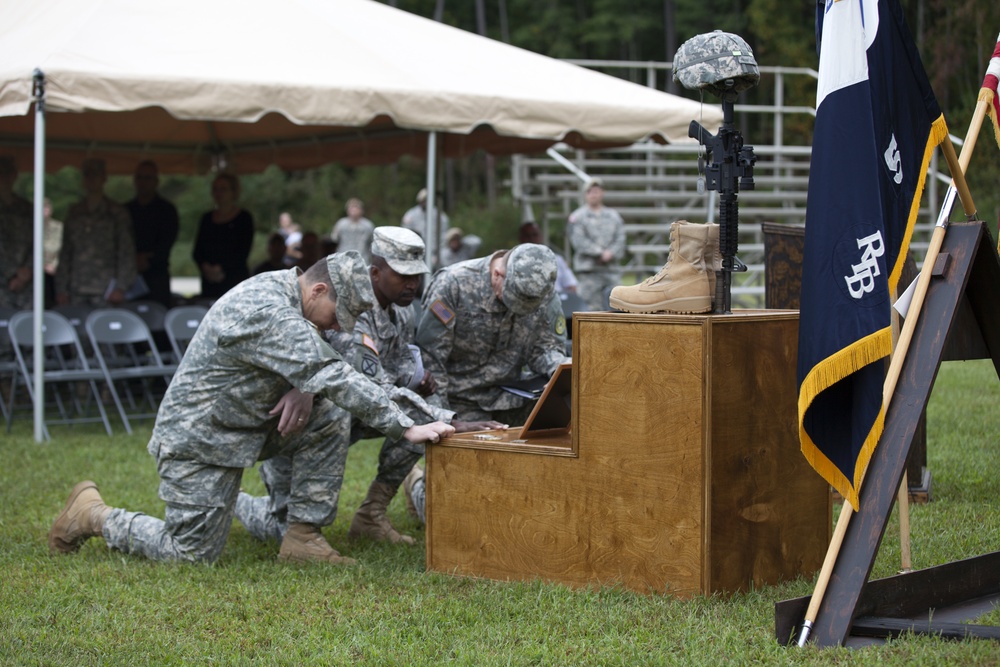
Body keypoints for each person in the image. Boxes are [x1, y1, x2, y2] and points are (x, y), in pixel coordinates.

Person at [48, 251, 455, 566]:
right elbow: (329, 370)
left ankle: (302, 536)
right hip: (201, 439)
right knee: (190, 553)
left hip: (250, 424)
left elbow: (329, 366)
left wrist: (306, 387)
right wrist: (404, 427)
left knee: (331, 411)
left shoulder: (293, 296)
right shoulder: (266, 309)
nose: (338, 328)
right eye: (337, 317)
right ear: (317, 291)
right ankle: (92, 515)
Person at [236, 227, 502, 546]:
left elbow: (399, 362)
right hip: (305, 427)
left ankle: (371, 514)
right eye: (403, 276)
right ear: (375, 273)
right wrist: (449, 419)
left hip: (358, 413)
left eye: (416, 275)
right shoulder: (350, 309)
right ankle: (236, 501)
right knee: (280, 530)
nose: (413, 284)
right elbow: (369, 385)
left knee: (423, 417)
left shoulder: (400, 312)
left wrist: (419, 381)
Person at [415, 243, 570, 425]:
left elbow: (543, 349)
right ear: (497, 274)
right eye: (513, 299)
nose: (520, 308)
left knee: (570, 424)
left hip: (511, 397)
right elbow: (431, 360)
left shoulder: (542, 291)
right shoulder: (453, 284)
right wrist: (446, 420)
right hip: (459, 399)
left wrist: (560, 370)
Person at [55, 158, 138, 307]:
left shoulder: (116, 213)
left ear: (104, 178)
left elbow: (126, 252)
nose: (91, 179)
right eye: (87, 175)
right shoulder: (75, 213)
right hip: (76, 289)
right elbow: (66, 252)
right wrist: (61, 288)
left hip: (106, 290)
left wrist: (121, 287)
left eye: (95, 175)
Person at [192, 173, 254, 300]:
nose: (218, 193)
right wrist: (206, 268)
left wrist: (221, 268)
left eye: (223, 189)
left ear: (233, 191)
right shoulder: (207, 219)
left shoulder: (243, 219)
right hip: (210, 283)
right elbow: (198, 251)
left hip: (234, 281)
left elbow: (243, 251)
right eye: (215, 189)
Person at [126, 160, 179, 307]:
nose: (143, 182)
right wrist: (133, 259)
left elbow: (167, 240)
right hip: (129, 276)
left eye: (147, 178)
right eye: (139, 177)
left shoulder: (167, 210)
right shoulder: (125, 211)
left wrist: (148, 259)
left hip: (157, 276)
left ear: (156, 181)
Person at [567, 178, 625, 311]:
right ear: (585, 194)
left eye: (596, 191)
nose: (593, 194)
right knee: (590, 310)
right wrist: (599, 253)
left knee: (619, 306)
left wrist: (611, 253)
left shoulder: (613, 216)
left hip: (611, 270)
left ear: (602, 193)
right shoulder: (578, 217)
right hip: (589, 271)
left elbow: (620, 238)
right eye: (590, 191)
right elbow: (578, 240)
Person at [0, 156, 32, 311]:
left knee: (23, 329)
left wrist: (27, 270)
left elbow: (37, 244)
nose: (4, 177)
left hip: (22, 284)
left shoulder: (25, 209)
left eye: (7, 173)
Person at [518, 221, 578, 296]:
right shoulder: (515, 261)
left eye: (535, 235)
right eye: (527, 235)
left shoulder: (556, 259)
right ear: (521, 238)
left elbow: (572, 286)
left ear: (541, 237)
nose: (531, 239)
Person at [42, 198, 63, 308]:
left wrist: (54, 265)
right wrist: (42, 265)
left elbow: (64, 249)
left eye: (46, 207)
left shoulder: (58, 227)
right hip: (35, 273)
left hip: (55, 273)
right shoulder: (31, 227)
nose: (44, 211)